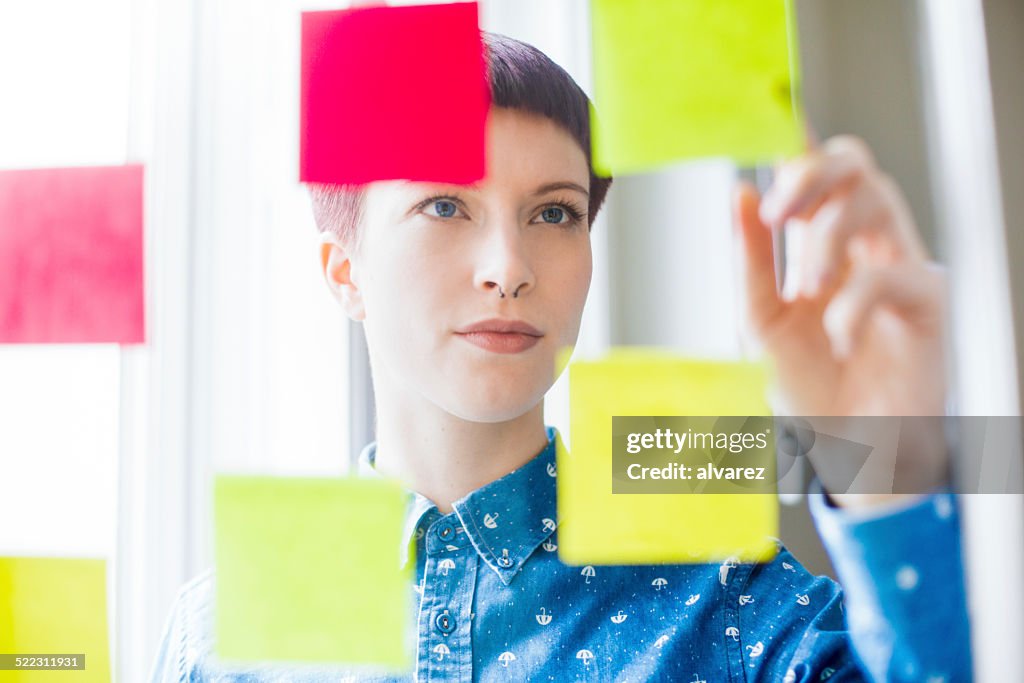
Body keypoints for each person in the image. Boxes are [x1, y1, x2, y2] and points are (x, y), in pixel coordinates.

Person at [150, 32, 971, 682]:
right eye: (444, 204)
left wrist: (888, 473)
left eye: (553, 213)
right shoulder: (217, 631)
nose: (508, 266)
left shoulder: (725, 597)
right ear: (344, 271)